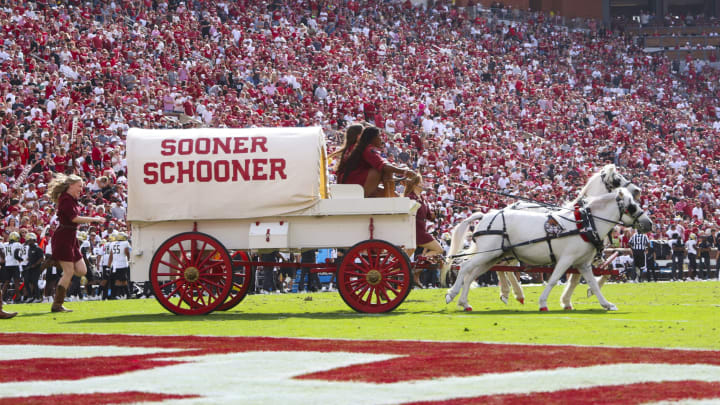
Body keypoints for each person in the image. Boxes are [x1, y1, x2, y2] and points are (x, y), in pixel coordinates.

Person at [47, 174, 105, 312]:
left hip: (71, 237)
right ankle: (57, 304)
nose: (81, 189)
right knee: (69, 271)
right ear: (70, 185)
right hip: (64, 237)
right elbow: (74, 218)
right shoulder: (66, 199)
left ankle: (56, 264)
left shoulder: (72, 199)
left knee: (82, 270)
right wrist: (93, 219)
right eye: (79, 186)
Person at [336, 126, 413, 198]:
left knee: (395, 195)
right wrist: (405, 172)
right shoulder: (366, 149)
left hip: (347, 185)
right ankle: (366, 198)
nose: (381, 139)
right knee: (381, 169)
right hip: (355, 187)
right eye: (379, 136)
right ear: (359, 136)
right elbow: (383, 166)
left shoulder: (349, 149)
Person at [403, 172, 444, 287]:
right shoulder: (410, 198)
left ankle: (415, 273)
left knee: (403, 259)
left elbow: (428, 216)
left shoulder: (422, 199)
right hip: (417, 231)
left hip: (420, 231)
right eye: (421, 182)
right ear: (415, 184)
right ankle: (416, 269)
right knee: (438, 249)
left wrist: (435, 214)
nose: (423, 184)